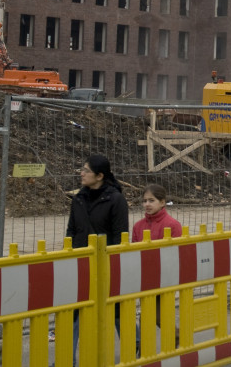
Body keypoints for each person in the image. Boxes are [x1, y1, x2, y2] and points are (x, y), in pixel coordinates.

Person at [66, 154, 129, 363]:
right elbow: (71, 230)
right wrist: (71, 255)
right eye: (82, 169)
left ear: (100, 175)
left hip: (106, 265)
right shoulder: (78, 198)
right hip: (81, 262)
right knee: (74, 311)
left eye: (86, 170)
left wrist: (112, 262)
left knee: (115, 309)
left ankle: (135, 344)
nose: (81, 173)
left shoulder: (116, 199)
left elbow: (121, 235)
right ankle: (68, 359)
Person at [132, 184, 183, 350]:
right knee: (147, 314)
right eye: (145, 201)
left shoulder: (172, 225)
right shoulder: (138, 226)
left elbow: (176, 254)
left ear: (162, 202)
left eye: (151, 200)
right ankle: (148, 349)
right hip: (145, 277)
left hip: (166, 277)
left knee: (158, 315)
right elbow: (133, 251)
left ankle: (177, 338)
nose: (147, 204)